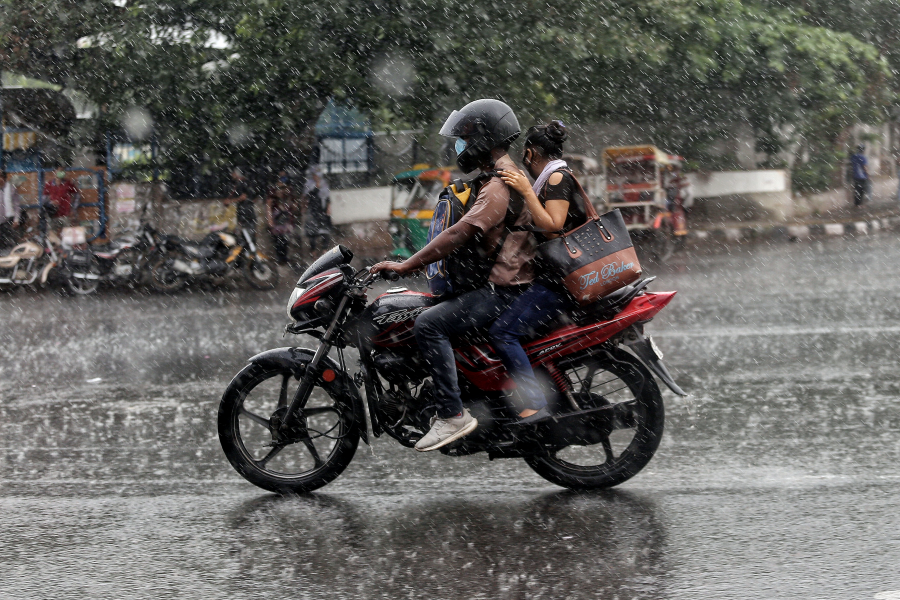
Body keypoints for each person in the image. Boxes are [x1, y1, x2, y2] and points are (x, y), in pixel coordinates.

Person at [370, 99, 534, 452]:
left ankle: (452, 414)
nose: (459, 145)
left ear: (485, 138)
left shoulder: (497, 186)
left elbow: (459, 233)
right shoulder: (499, 177)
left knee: (429, 324)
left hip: (502, 291)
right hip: (499, 286)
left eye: (464, 137)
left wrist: (405, 265)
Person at [490, 121, 586, 423]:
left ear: (530, 154)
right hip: (562, 275)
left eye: (525, 158)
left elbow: (554, 225)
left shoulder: (556, 177)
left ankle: (534, 403)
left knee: (503, 332)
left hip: (561, 279)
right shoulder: (556, 175)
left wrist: (524, 190)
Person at [266, 170, 296, 265]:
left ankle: (284, 258)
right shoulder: (273, 190)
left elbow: (293, 203)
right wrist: (270, 219)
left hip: (286, 217)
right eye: (280, 176)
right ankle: (280, 258)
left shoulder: (289, 189)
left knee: (285, 239)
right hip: (277, 217)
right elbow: (268, 204)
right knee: (278, 240)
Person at [302, 166, 332, 254]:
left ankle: (324, 250)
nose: (317, 177)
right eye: (315, 175)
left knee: (325, 232)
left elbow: (327, 197)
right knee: (312, 234)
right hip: (312, 211)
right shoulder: (308, 184)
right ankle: (313, 252)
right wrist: (316, 188)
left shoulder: (324, 183)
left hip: (322, 211)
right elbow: (307, 197)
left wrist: (328, 207)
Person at [225, 169, 257, 240]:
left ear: (236, 174)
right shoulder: (238, 184)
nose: (231, 175)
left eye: (232, 173)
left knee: (247, 237)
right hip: (244, 214)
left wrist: (232, 201)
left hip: (246, 214)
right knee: (244, 237)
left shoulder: (244, 183)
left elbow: (244, 197)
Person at [1, 171, 23, 250]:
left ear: (4, 178)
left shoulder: (11, 188)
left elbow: (17, 205)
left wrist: (16, 219)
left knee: (11, 244)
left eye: (1, 177)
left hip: (8, 221)